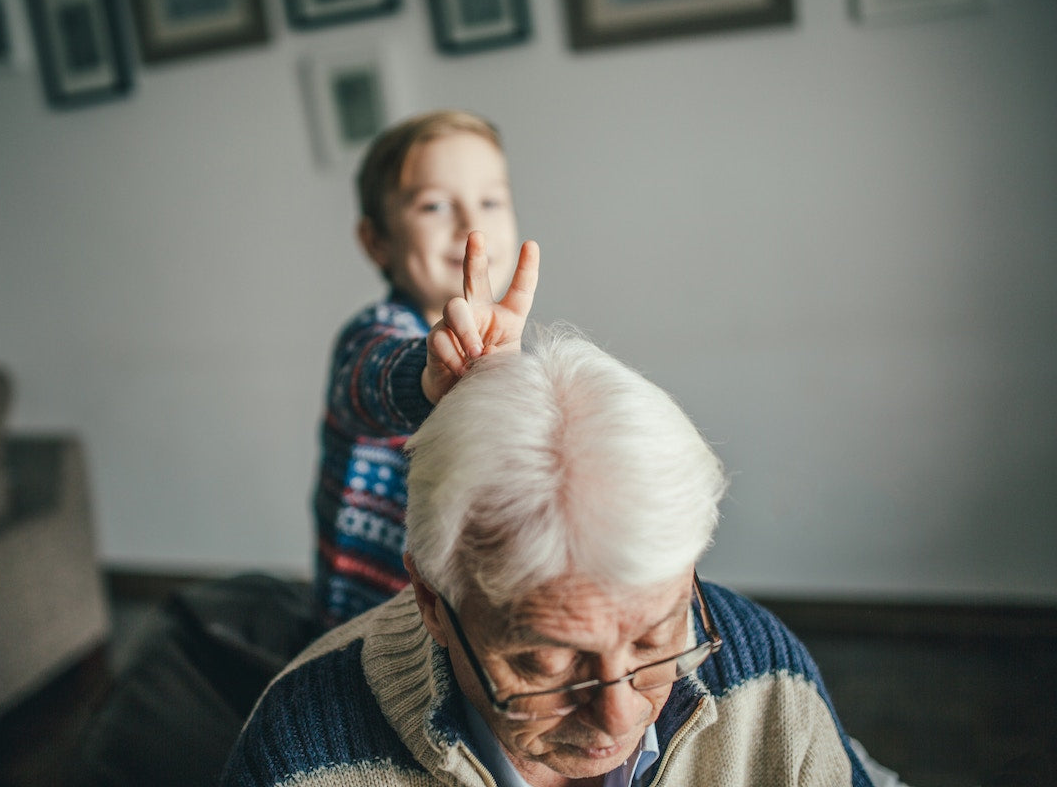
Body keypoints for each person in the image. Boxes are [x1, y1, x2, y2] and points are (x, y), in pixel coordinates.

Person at [221, 326, 876, 787]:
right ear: (432, 604)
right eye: (546, 662)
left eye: (656, 640)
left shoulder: (765, 675)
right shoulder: (299, 755)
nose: (621, 715)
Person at [313, 109, 536, 626]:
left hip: (462, 609)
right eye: (434, 205)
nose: (470, 222)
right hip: (370, 620)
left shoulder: (506, 345)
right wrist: (426, 375)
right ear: (377, 241)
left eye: (490, 201)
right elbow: (370, 380)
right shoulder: (375, 335)